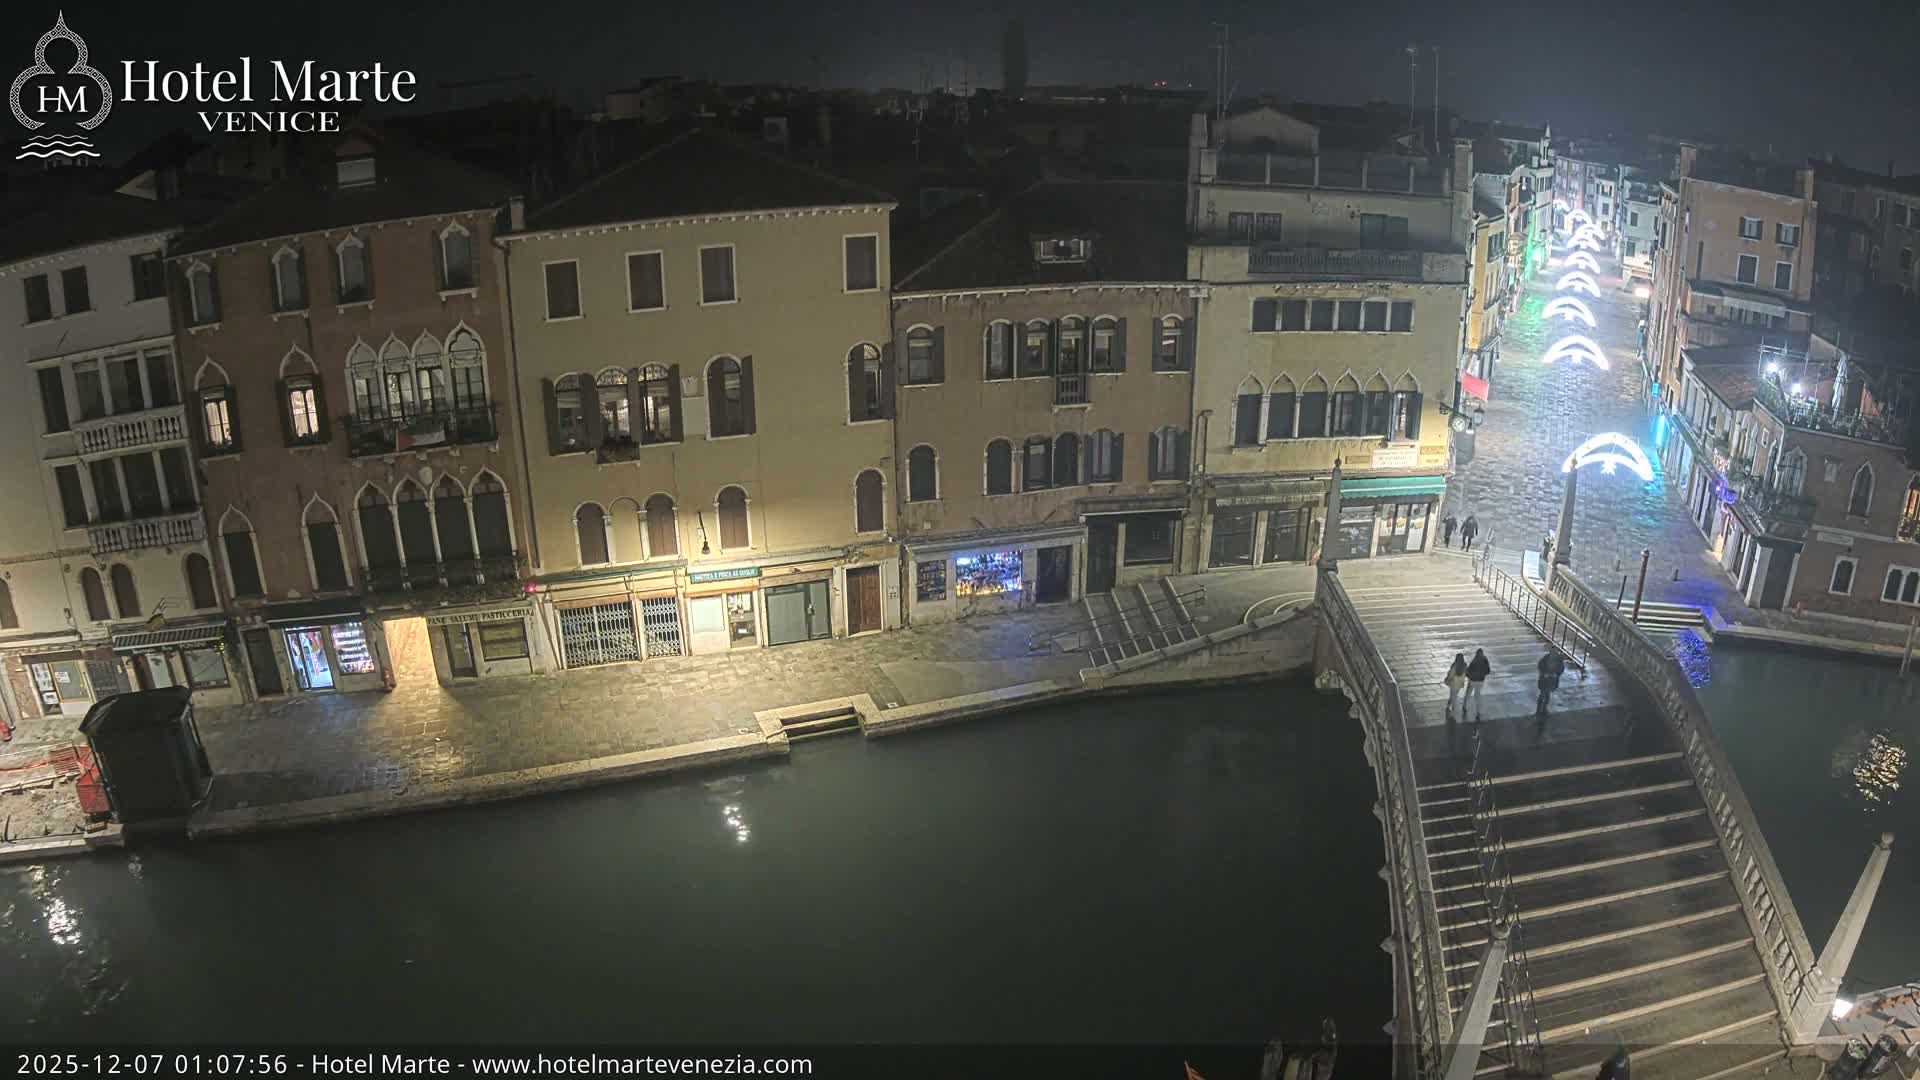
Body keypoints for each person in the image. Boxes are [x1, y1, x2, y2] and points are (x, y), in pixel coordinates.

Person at [1536, 648, 1566, 718]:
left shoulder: (1558, 660)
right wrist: (1543, 673)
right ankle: (1540, 709)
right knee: (1543, 694)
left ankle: (1543, 709)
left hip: (1551, 680)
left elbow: (1561, 669)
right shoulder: (1546, 658)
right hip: (1545, 679)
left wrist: (1556, 674)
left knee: (1546, 694)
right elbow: (1540, 666)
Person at [1464, 648, 1491, 721]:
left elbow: (1469, 671)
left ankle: (1465, 706)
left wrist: (1468, 676)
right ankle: (1478, 711)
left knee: (1468, 693)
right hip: (1480, 681)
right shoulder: (1485, 661)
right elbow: (1488, 671)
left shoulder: (1474, 661)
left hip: (1472, 680)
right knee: (1478, 695)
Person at [1442, 653, 1468, 721]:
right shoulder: (1465, 665)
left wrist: (1447, 679)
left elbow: (1451, 675)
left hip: (1453, 684)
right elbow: (1466, 674)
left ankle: (1453, 711)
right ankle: (1449, 704)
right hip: (1459, 684)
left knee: (1453, 697)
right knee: (1454, 695)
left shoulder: (1454, 666)